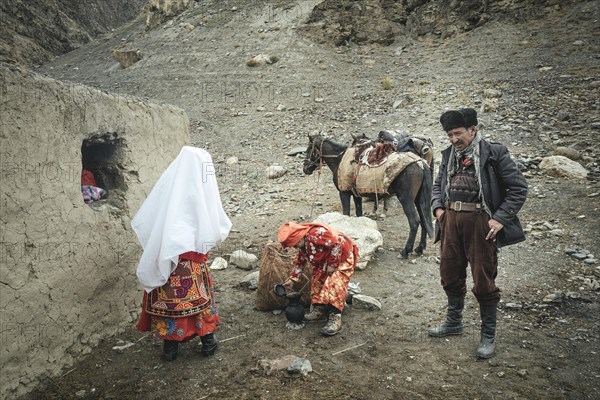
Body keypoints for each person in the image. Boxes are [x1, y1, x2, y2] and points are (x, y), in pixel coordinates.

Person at [429, 108, 528, 359]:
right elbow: (438, 184)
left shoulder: (494, 153)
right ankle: (453, 323)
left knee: (483, 279)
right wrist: (438, 208)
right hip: (450, 221)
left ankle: (488, 335)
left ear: (473, 130)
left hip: (481, 224)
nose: (453, 139)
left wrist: (499, 219)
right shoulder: (448, 154)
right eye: (450, 134)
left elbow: (518, 188)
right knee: (449, 273)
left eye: (458, 133)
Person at [132, 146, 232, 361]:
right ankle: (207, 344)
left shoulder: (169, 188)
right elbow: (213, 227)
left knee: (169, 305)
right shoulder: (201, 192)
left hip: (167, 259)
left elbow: (151, 221)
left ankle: (170, 350)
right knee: (199, 303)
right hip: (192, 263)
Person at [278, 222, 359, 336]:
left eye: (294, 245)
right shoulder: (303, 244)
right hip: (326, 260)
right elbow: (301, 261)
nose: (294, 247)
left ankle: (335, 317)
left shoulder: (317, 234)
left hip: (342, 258)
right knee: (317, 280)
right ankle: (320, 309)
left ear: (299, 237)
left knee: (334, 283)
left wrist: (332, 264)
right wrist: (293, 279)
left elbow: (337, 243)